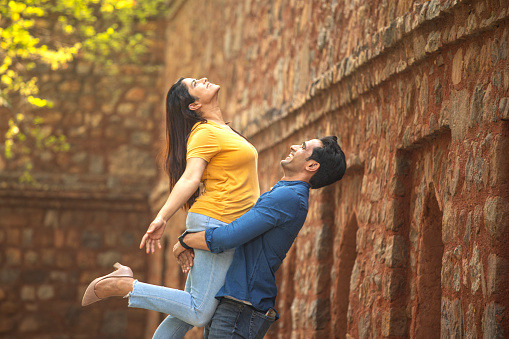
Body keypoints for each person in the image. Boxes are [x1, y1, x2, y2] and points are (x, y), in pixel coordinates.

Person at [81, 77, 260, 339]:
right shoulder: (205, 133)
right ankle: (124, 285)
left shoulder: (223, 130)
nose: (205, 79)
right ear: (194, 104)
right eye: (196, 83)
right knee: (198, 311)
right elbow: (190, 177)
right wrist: (162, 217)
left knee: (184, 313)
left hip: (222, 222)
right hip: (217, 222)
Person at [173, 135, 346, 338]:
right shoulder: (286, 192)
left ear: (312, 165)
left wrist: (185, 240)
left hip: (240, 309)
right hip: (234, 304)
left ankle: (131, 288)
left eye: (303, 147)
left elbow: (228, 237)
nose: (293, 146)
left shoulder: (289, 197)